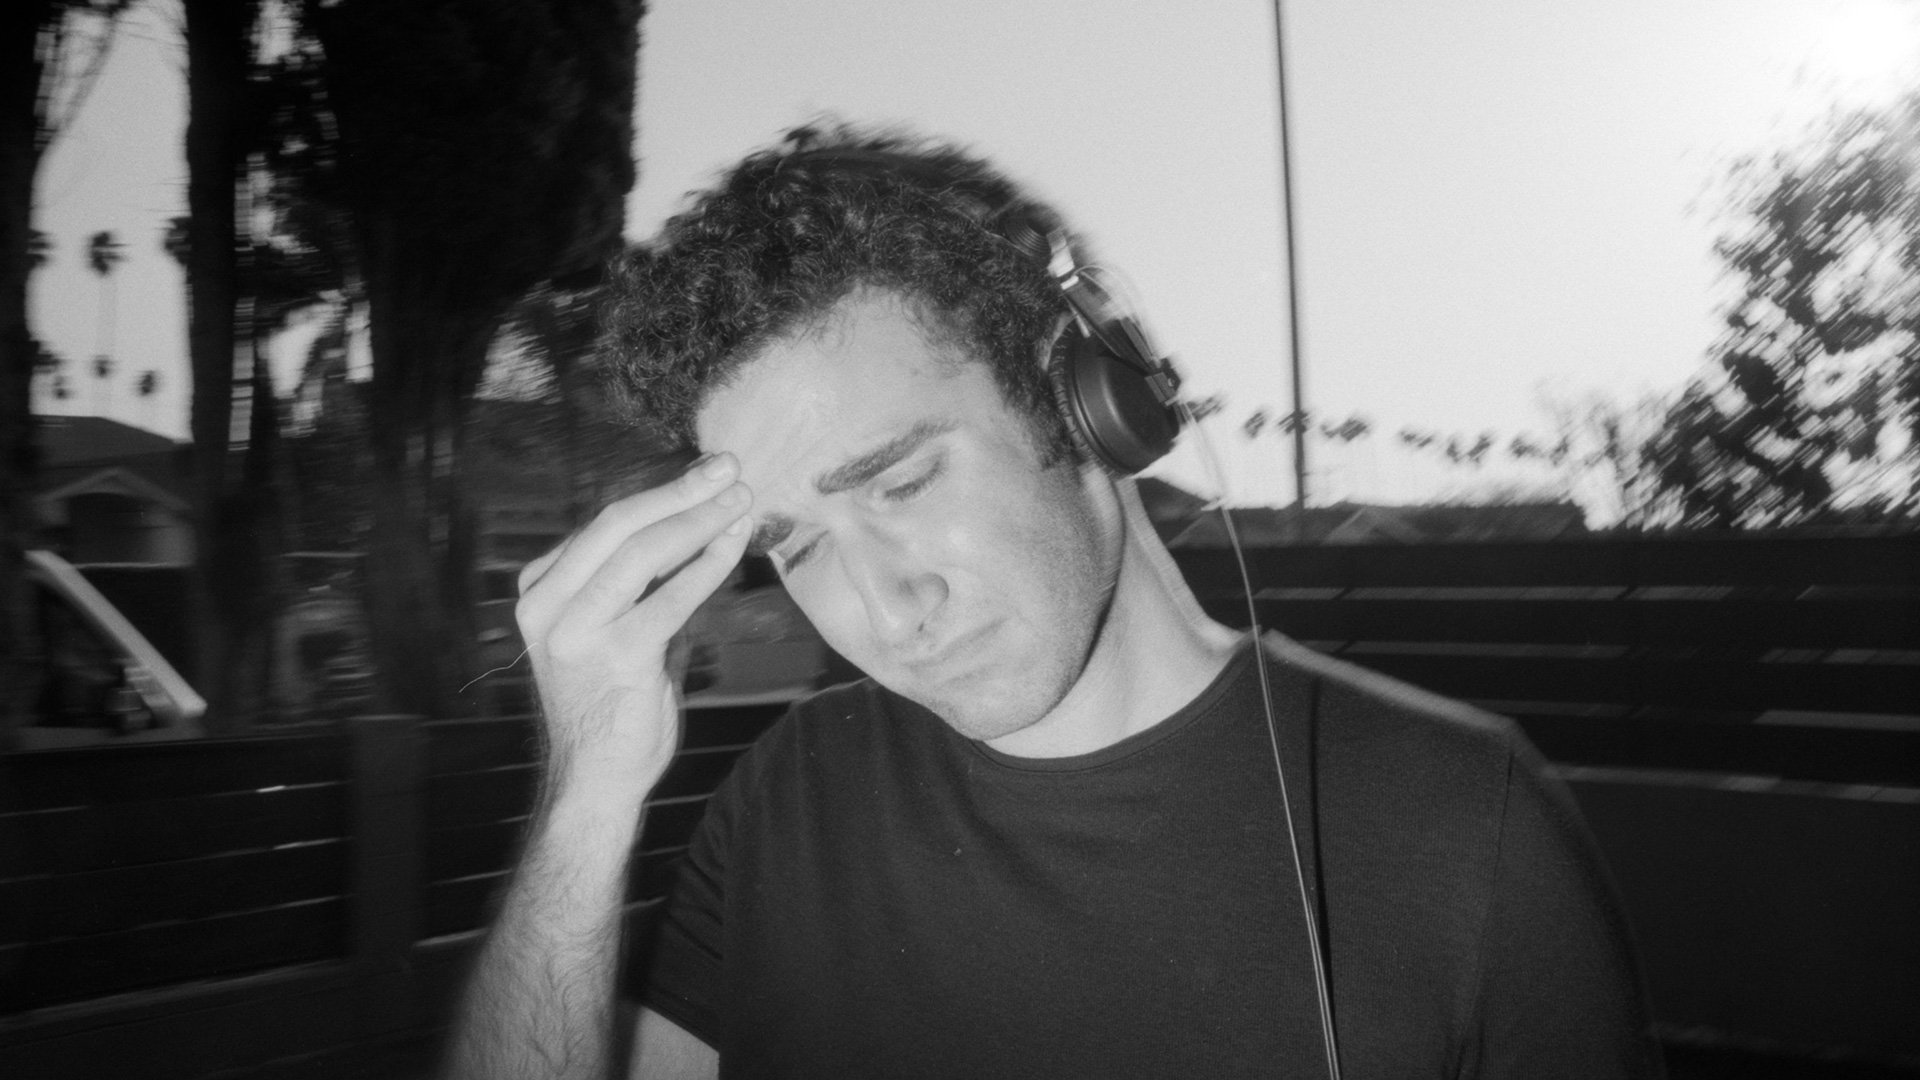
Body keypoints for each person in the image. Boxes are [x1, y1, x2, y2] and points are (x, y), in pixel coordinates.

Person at [444, 125, 1663, 1080]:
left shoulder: (1464, 824)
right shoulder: (785, 803)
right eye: (797, 547)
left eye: (902, 483)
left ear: (1083, 401)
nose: (883, 610)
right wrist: (586, 799)